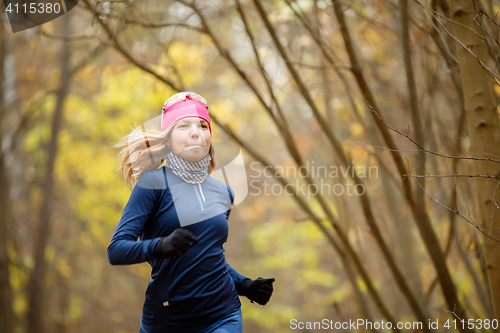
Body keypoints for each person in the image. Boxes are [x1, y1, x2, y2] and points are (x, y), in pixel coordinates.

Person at [109, 91, 275, 333]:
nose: (196, 132)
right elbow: (116, 250)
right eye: (183, 126)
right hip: (165, 321)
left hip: (222, 317)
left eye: (202, 125)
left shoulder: (223, 192)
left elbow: (208, 256)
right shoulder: (152, 183)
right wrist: (160, 245)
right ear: (167, 139)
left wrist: (245, 285)